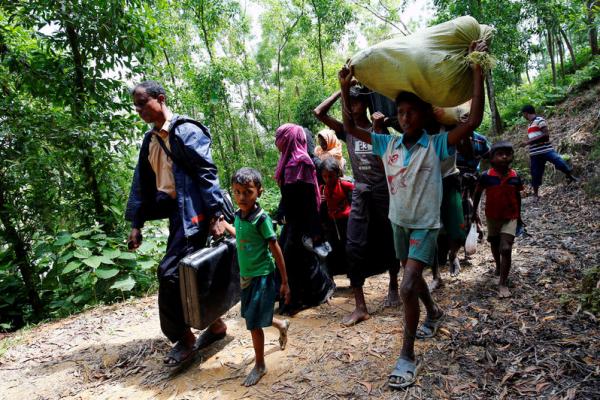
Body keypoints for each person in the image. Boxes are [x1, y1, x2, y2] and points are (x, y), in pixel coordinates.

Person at [338, 39, 488, 389]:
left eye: (412, 113)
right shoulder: (387, 143)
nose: (405, 118)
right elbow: (349, 129)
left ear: (425, 115)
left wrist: (477, 71)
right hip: (398, 224)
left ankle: (407, 355)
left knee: (406, 286)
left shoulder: (436, 144)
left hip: (424, 225)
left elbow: (475, 119)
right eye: (401, 113)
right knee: (413, 279)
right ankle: (433, 312)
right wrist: (343, 90)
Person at [125, 81, 227, 367]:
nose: (139, 109)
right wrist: (137, 223)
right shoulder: (150, 140)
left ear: (161, 99)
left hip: (195, 213)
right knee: (190, 272)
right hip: (176, 214)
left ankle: (183, 338)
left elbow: (207, 172)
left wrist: (217, 215)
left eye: (143, 103)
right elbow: (142, 184)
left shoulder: (186, 131)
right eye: (136, 105)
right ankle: (216, 325)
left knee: (170, 272)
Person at [314, 87, 398, 327]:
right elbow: (319, 112)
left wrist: (380, 131)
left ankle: (393, 284)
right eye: (349, 102)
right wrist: (341, 90)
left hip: (383, 191)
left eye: (357, 101)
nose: (352, 105)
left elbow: (390, 162)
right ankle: (360, 306)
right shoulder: (346, 130)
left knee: (389, 238)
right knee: (353, 244)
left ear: (367, 103)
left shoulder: (379, 129)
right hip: (360, 191)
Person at [221, 168, 291, 386]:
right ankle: (280, 324)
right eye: (238, 192)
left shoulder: (262, 219)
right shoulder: (238, 216)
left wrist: (285, 282)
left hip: (262, 276)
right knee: (254, 315)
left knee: (253, 323)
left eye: (248, 192)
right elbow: (241, 233)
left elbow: (275, 248)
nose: (242, 197)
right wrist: (225, 226)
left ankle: (260, 365)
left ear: (258, 192)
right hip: (247, 277)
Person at [274, 123, 335, 315]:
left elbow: (309, 199)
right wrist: (280, 215)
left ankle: (299, 300)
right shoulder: (287, 161)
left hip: (302, 222)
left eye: (280, 137)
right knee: (296, 259)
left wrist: (315, 229)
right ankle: (300, 296)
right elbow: (287, 196)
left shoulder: (301, 163)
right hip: (293, 222)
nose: (277, 141)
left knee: (293, 260)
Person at [472, 141, 523, 299]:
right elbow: (477, 194)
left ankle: (502, 283)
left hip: (511, 217)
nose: (504, 156)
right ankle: (499, 266)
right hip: (492, 216)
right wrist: (474, 213)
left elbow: (518, 196)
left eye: (507, 153)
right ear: (492, 158)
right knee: (494, 243)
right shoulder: (486, 177)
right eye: (499, 154)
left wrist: (520, 217)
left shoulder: (515, 177)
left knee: (506, 248)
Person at [521, 105, 577, 200]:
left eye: (523, 114)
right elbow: (536, 136)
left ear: (526, 113)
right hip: (535, 153)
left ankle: (570, 176)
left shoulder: (539, 120)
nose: (523, 116)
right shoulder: (529, 125)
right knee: (535, 173)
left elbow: (546, 135)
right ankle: (536, 194)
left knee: (559, 162)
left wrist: (528, 142)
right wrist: (529, 142)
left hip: (546, 150)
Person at [320, 157, 354, 276]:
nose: (327, 179)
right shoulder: (322, 189)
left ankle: (353, 276)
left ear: (337, 174)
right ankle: (332, 277)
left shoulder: (345, 186)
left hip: (346, 223)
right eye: (324, 176)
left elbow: (353, 204)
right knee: (333, 250)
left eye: (331, 176)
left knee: (349, 249)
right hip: (331, 225)